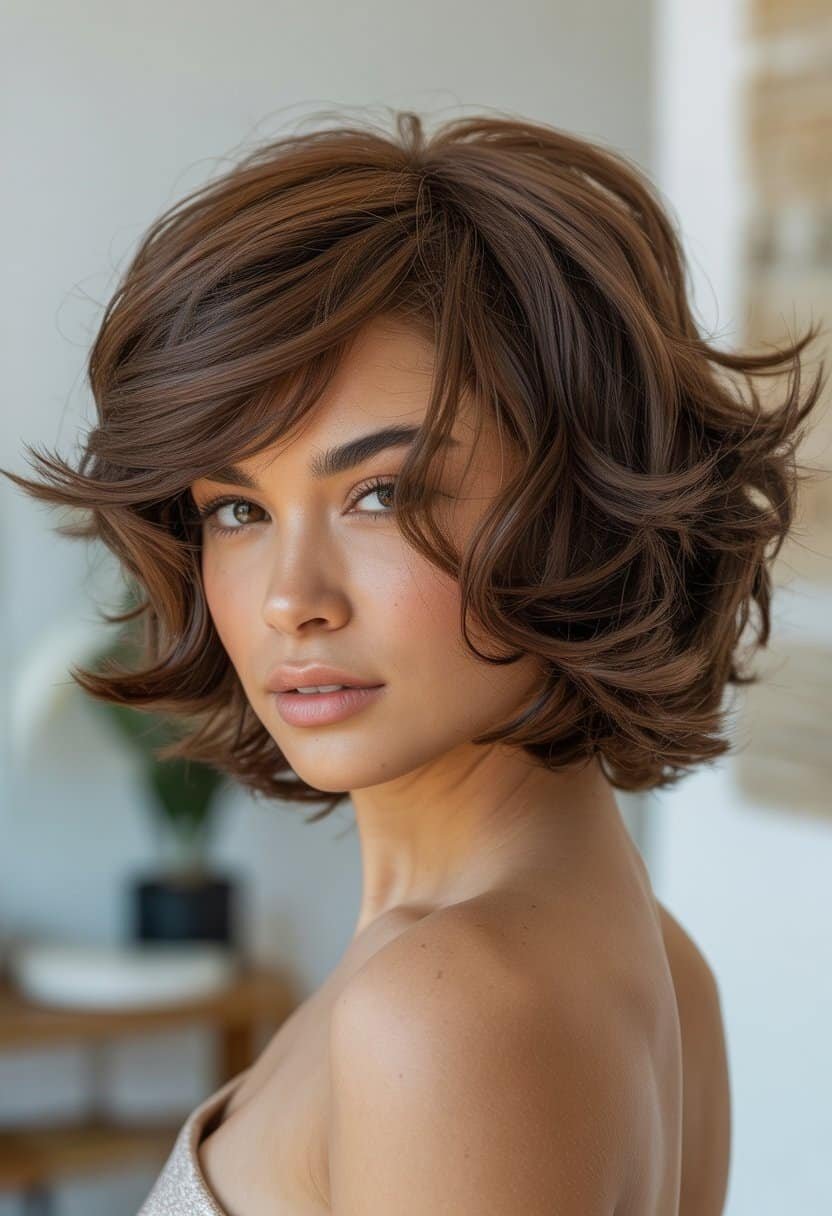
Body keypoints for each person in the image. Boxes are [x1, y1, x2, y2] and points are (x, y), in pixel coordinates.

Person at [4, 107, 825, 1215]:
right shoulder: (659, 970)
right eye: (238, 508)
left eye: (380, 493)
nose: (293, 598)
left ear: (578, 509)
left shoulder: (446, 1011)